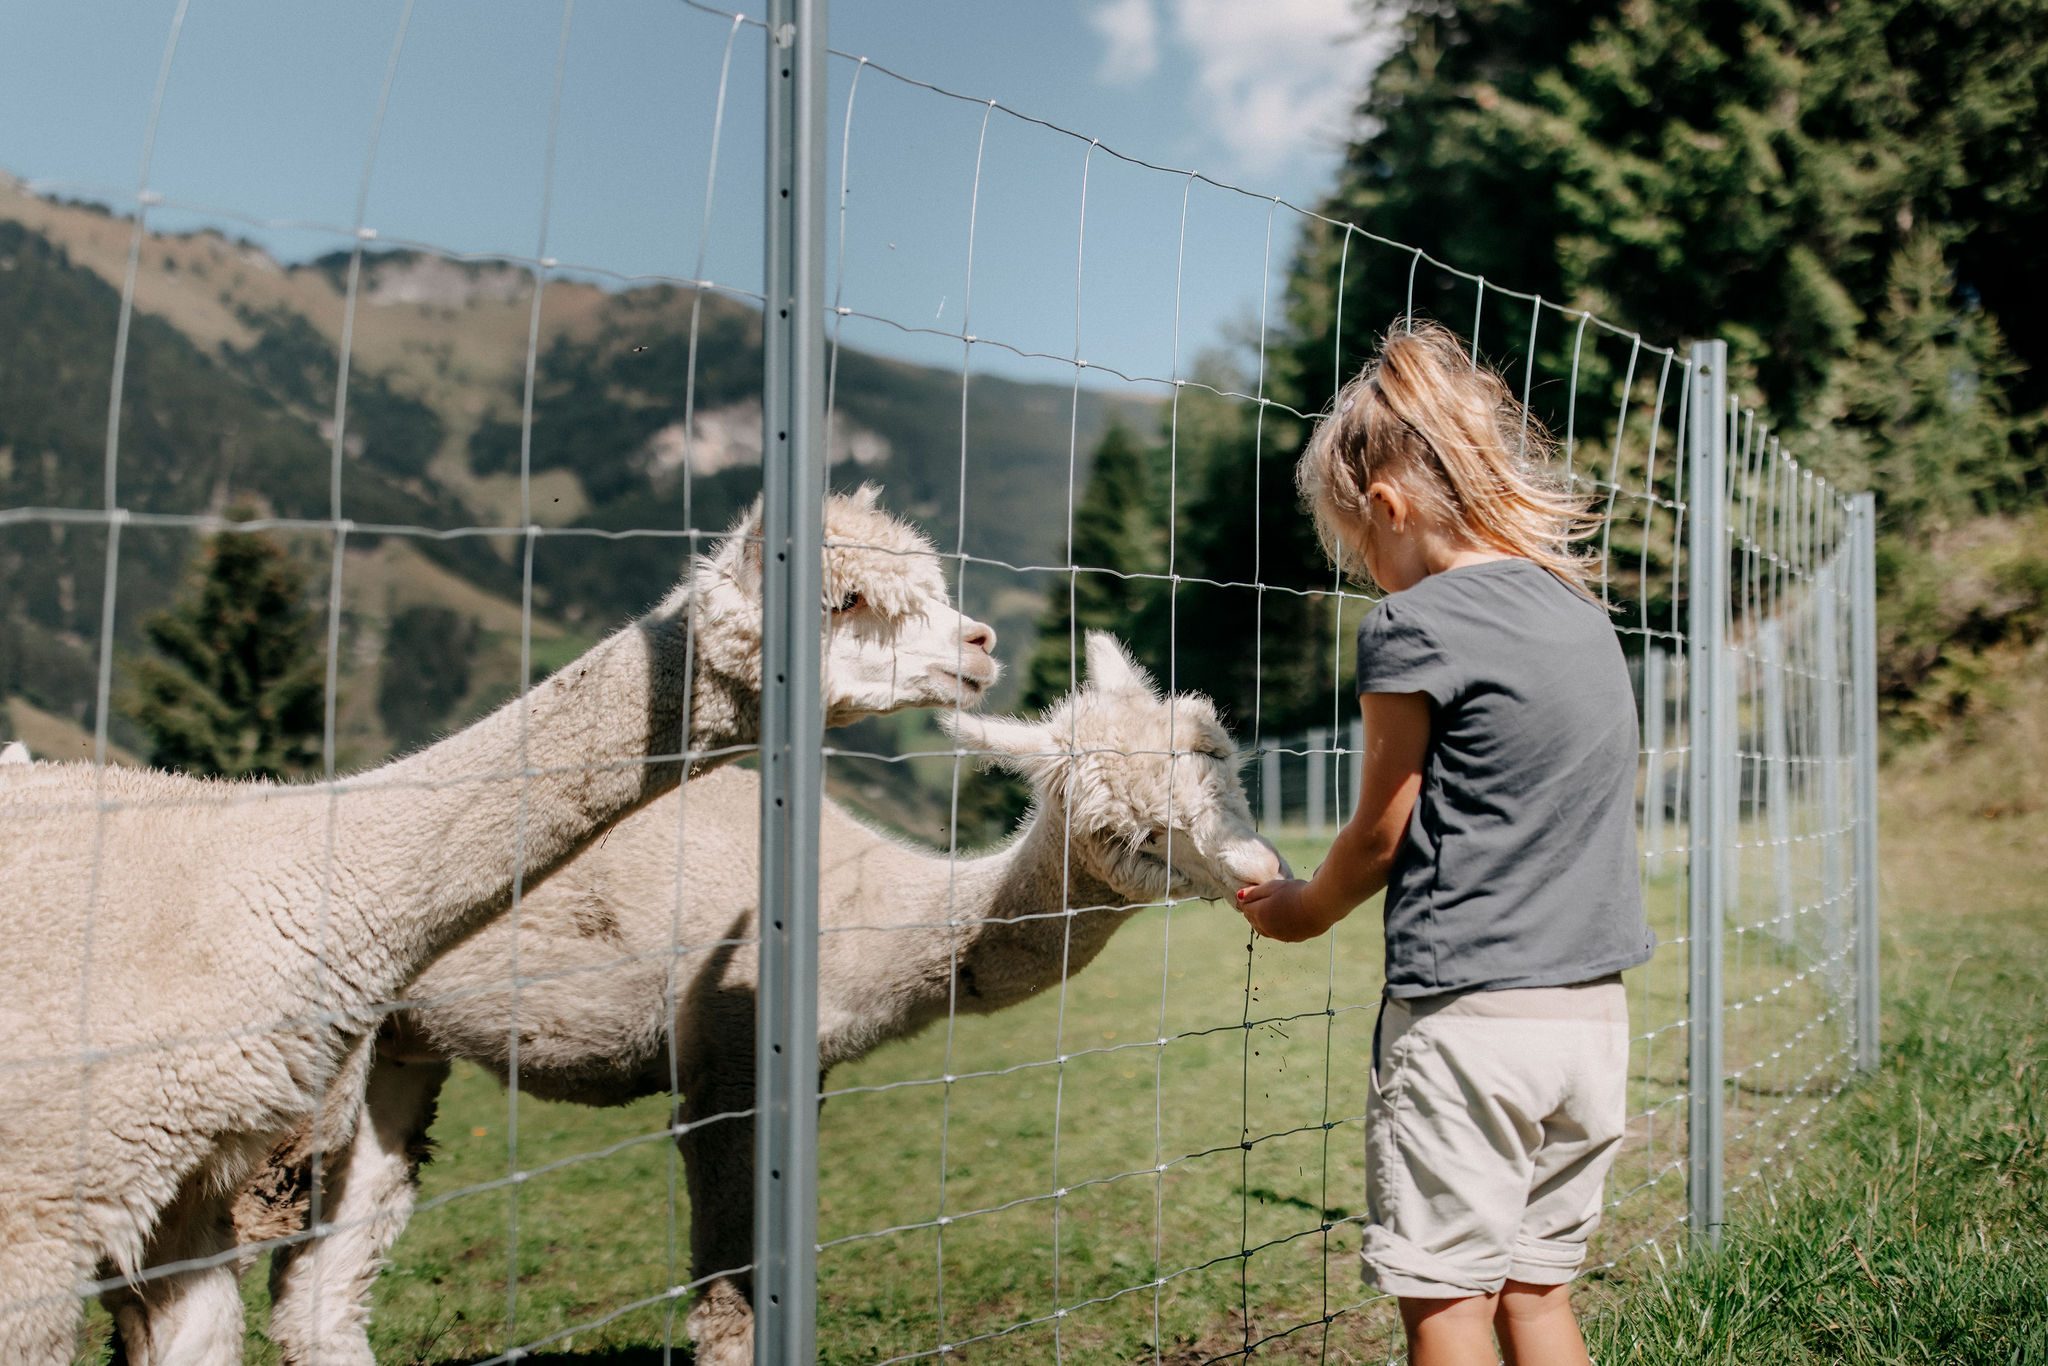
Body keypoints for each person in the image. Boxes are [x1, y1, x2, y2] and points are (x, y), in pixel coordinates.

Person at [1237, 319, 1653, 1366]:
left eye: (1358, 548)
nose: (1367, 572)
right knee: (1534, 1293)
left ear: (1388, 506)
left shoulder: (1414, 623)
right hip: (1590, 1017)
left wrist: (1299, 909)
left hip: (1467, 1024)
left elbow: (1381, 833)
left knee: (1446, 1302)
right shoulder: (1576, 608)